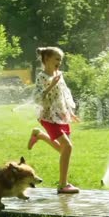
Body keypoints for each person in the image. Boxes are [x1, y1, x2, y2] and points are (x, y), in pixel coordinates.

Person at [28, 47, 80, 194]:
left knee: (63, 149)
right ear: (46, 60)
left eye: (60, 60)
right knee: (67, 147)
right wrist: (51, 84)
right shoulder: (42, 77)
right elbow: (37, 98)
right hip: (48, 116)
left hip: (61, 116)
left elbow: (64, 95)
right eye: (57, 59)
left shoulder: (59, 75)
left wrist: (70, 112)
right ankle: (63, 185)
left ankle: (39, 135)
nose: (59, 62)